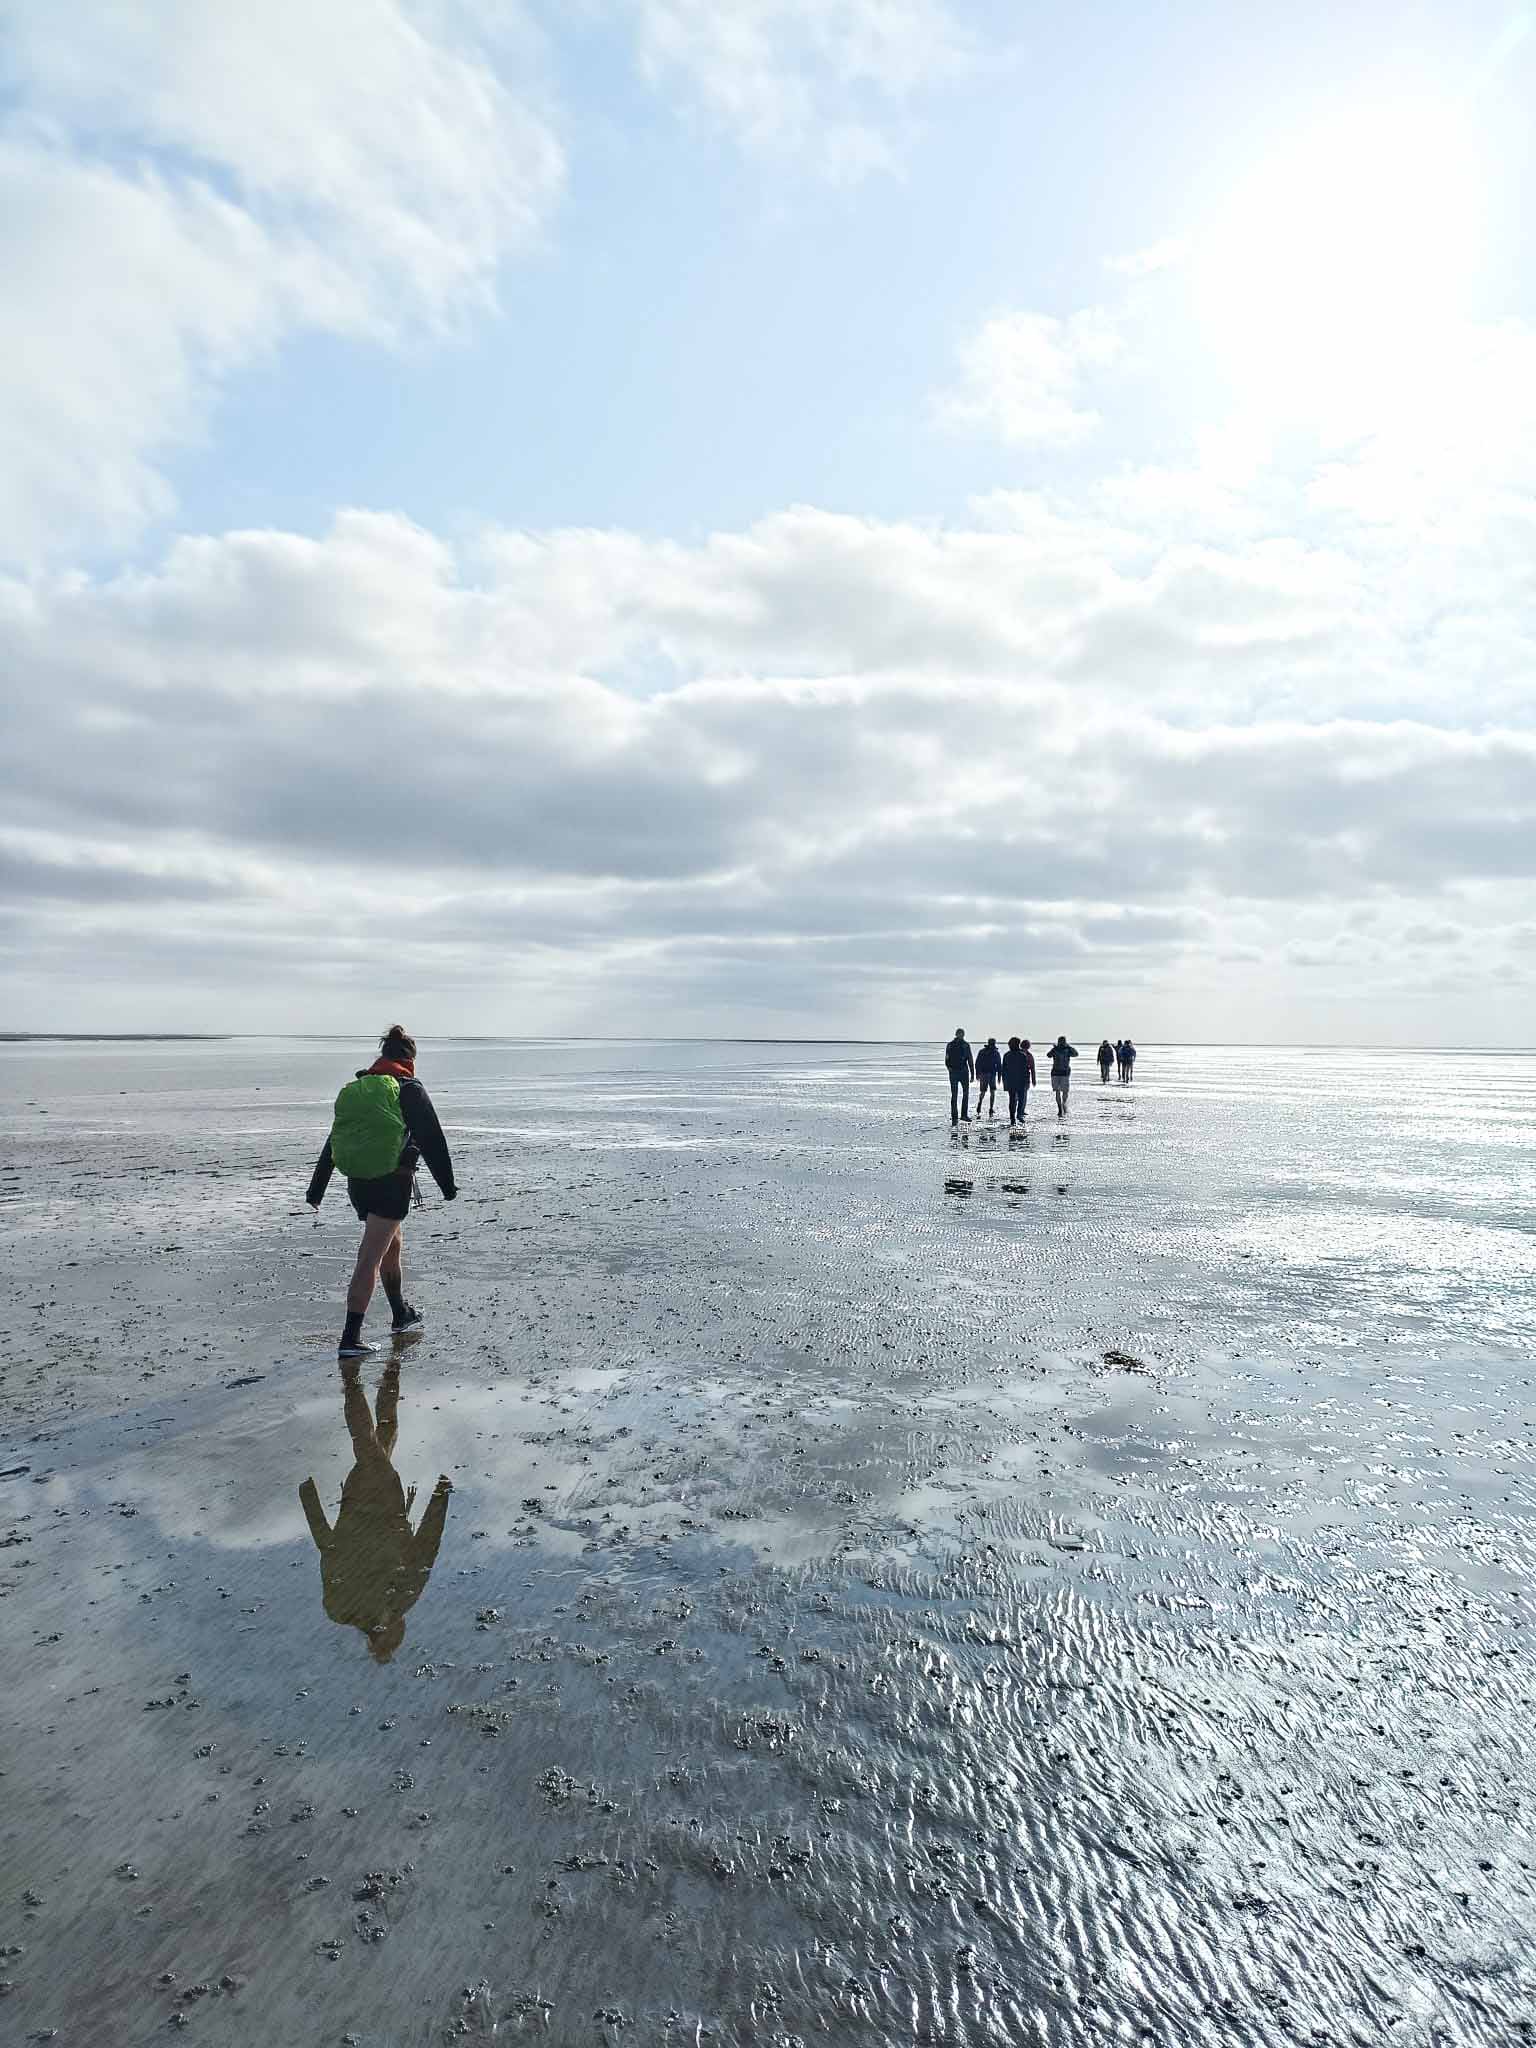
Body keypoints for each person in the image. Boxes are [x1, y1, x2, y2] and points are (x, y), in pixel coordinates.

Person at [307, 1025, 457, 1361]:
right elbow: (432, 1139)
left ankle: (400, 1313)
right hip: (391, 1183)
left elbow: (334, 1140)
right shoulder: (408, 1088)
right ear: (410, 1059)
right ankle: (350, 1338)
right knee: (370, 1256)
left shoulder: (361, 1088)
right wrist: (447, 1187)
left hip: (358, 1182)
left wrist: (316, 1189)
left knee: (392, 1244)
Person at [299, 1358, 452, 1663]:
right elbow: (326, 1549)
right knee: (384, 1435)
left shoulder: (384, 1603)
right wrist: (309, 1500)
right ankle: (389, 1373)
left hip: (379, 1504)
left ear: (395, 1630)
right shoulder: (339, 1610)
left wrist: (441, 1495)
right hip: (361, 1504)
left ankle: (352, 1379)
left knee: (366, 1443)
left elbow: (426, 1548)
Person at [1001, 1035, 1035, 1126]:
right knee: (1014, 1100)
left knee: (1019, 1099)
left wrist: (1027, 1081)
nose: (1009, 1045)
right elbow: (1003, 1070)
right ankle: (1013, 1117)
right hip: (1012, 1081)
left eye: (1010, 1044)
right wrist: (1004, 1081)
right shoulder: (1008, 1055)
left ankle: (1018, 1115)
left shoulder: (1021, 1055)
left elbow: (1025, 1070)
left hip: (1019, 1081)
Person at [944, 1027, 974, 1125]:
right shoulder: (965, 1045)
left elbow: (947, 1059)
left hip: (957, 1072)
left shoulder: (951, 1045)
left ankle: (957, 1116)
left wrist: (949, 1068)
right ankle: (960, 1116)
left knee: (958, 1094)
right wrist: (972, 1073)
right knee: (960, 1094)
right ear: (960, 1034)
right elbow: (969, 1059)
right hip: (961, 1072)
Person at [1049, 1036, 1078, 1117]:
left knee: (1063, 1091)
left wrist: (1069, 1047)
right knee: (1059, 1091)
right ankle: (1060, 1108)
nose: (1061, 1043)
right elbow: (1048, 1055)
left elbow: (1076, 1054)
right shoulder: (1057, 1049)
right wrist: (1054, 1049)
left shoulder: (1067, 1049)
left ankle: (1063, 1104)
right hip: (1057, 1073)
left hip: (1063, 1073)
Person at [974, 1036, 1003, 1117]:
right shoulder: (996, 1052)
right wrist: (999, 1077)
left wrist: (977, 1074)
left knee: (984, 1092)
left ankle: (981, 1105)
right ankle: (990, 1108)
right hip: (991, 1075)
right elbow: (999, 1065)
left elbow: (977, 1063)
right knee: (992, 1092)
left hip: (984, 1074)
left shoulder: (982, 1051)